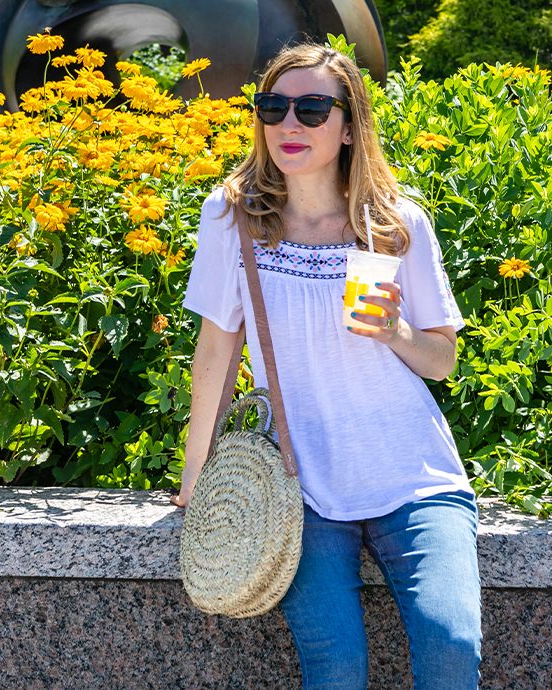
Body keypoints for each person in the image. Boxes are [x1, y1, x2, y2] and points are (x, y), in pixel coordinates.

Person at [171, 42, 482, 690]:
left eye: (312, 108)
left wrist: (396, 332)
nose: (289, 124)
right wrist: (197, 473)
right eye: (273, 106)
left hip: (413, 477)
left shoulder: (396, 224)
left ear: (348, 125)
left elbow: (442, 360)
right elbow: (216, 349)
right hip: (300, 484)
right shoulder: (232, 216)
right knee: (335, 669)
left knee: (452, 649)